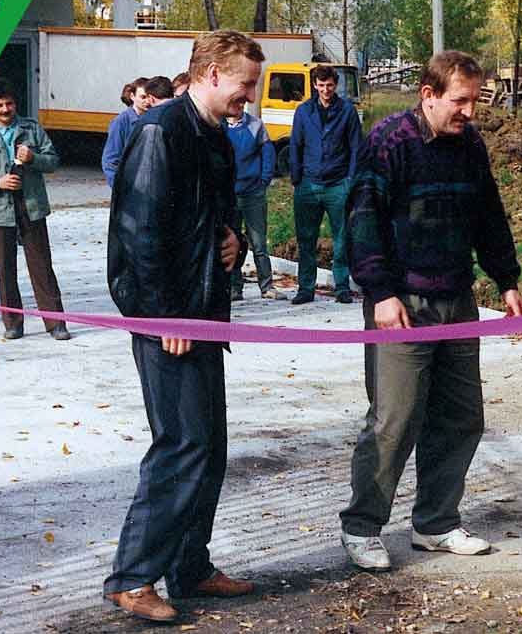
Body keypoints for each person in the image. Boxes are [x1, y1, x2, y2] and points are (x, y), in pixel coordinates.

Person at [339, 50, 522, 571]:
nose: (470, 111)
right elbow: (362, 219)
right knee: (394, 421)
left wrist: (507, 279)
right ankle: (362, 526)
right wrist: (380, 292)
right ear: (429, 94)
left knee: (461, 417)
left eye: (475, 101)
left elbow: (488, 215)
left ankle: (436, 523)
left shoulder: (471, 144)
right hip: (402, 304)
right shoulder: (390, 141)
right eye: (460, 100)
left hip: (458, 301)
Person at [103, 31, 260, 623]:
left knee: (209, 446)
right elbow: (138, 231)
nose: (250, 96)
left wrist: (234, 241)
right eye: (245, 84)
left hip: (201, 313)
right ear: (213, 74)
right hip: (167, 319)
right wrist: (162, 313)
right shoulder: (159, 131)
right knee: (181, 444)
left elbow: (214, 215)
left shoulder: (215, 134)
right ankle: (132, 577)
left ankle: (190, 566)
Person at [0, 79, 69, 341]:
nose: (5, 109)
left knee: (42, 266)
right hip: (0, 209)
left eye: (9, 104)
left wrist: (33, 159)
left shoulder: (32, 128)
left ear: (15, 104)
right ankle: (13, 323)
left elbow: (53, 161)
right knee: (5, 269)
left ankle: (56, 323)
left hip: (32, 207)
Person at [289, 64, 362, 305]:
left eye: (329, 85)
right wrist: (296, 179)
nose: (325, 90)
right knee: (306, 239)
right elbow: (296, 145)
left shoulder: (347, 111)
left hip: (338, 185)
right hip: (308, 185)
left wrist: (350, 180)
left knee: (342, 239)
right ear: (314, 85)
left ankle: (342, 287)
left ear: (336, 85)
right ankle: (305, 289)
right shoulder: (303, 111)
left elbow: (356, 148)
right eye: (321, 85)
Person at [226, 105, 286, 301]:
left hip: (253, 193)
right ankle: (235, 288)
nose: (236, 106)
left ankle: (266, 286)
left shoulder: (255, 125)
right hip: (229, 195)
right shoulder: (219, 126)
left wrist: (264, 180)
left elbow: (268, 153)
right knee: (232, 242)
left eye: (240, 102)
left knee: (259, 243)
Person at [102, 77, 148, 187]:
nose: (147, 101)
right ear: (132, 96)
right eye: (143, 97)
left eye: (149, 97)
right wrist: (119, 187)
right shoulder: (120, 122)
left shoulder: (152, 118)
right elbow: (110, 160)